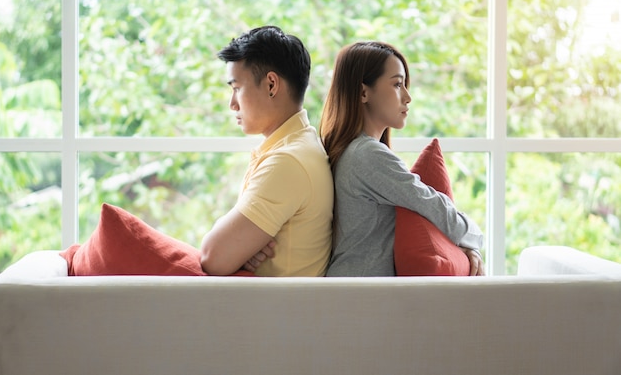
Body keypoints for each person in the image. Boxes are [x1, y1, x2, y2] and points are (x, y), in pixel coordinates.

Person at [319, 41, 484, 277]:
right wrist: (476, 240)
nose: (407, 97)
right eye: (397, 84)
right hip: (360, 298)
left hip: (355, 291)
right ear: (363, 92)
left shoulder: (352, 151)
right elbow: (436, 208)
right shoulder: (367, 156)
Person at [199, 26, 333, 277]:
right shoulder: (298, 146)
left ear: (271, 84)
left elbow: (212, 257)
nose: (232, 104)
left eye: (237, 87)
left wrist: (237, 251)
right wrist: (244, 249)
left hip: (276, 313)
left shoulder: (288, 161)